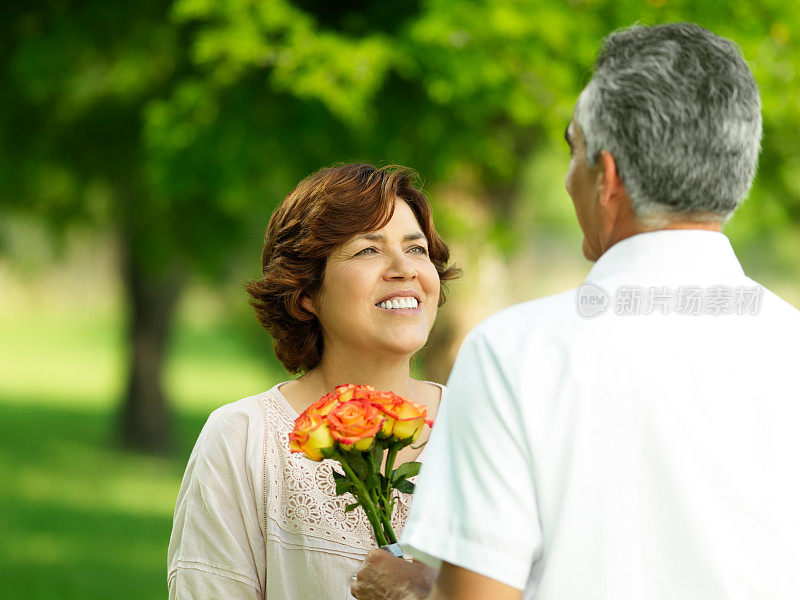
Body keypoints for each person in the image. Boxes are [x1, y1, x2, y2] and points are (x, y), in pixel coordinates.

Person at [352, 23, 800, 600]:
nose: (568, 178)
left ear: (607, 178)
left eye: (575, 151)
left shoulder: (514, 355)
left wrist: (413, 590)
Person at [167, 163, 459, 599]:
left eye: (417, 250)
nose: (405, 269)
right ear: (306, 293)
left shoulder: (486, 431)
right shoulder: (246, 440)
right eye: (368, 250)